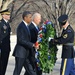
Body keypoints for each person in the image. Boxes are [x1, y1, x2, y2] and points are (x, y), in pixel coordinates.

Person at [12, 11, 38, 75]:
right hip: (20, 53)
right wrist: (32, 45)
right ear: (25, 18)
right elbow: (21, 40)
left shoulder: (26, 26)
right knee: (17, 71)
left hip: (26, 53)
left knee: (30, 70)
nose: (31, 19)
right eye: (30, 17)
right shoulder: (21, 26)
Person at [0, 9, 11, 75]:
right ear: (3, 15)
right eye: (7, 14)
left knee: (4, 64)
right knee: (1, 64)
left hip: (6, 47)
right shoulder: (1, 24)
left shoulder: (7, 24)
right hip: (2, 47)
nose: (9, 16)